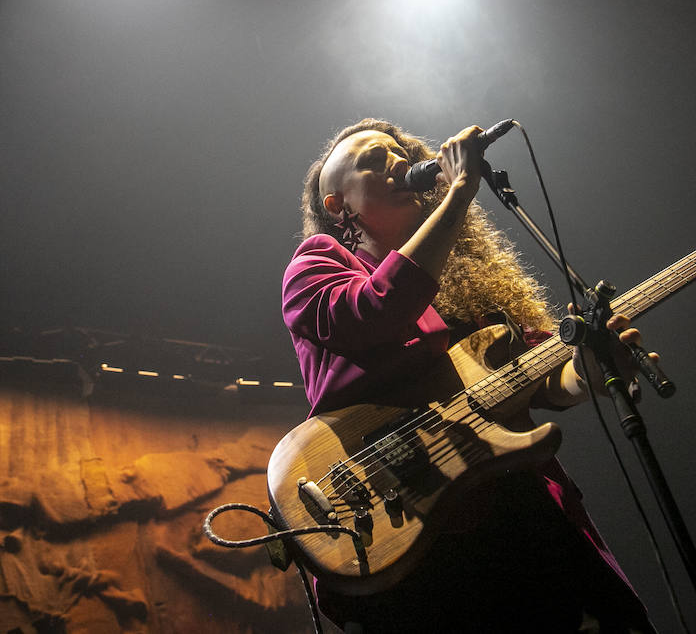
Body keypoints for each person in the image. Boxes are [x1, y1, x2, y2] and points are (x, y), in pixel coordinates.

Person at [281, 119, 657, 633]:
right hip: (408, 527)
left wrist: (590, 371)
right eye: (373, 159)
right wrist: (459, 192)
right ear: (337, 206)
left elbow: (544, 379)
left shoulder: (468, 282)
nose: (396, 159)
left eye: (398, 150)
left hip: (520, 508)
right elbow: (376, 310)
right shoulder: (315, 264)